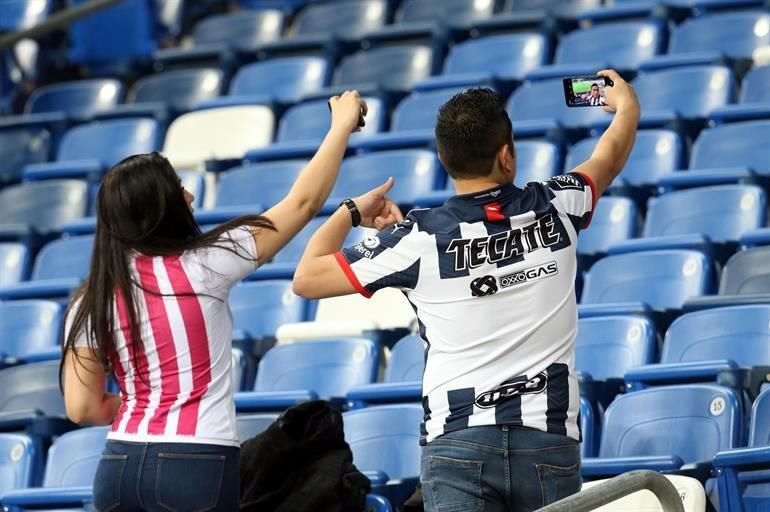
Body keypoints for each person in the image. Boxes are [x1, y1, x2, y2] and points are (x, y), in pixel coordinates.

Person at [291, 69, 640, 512]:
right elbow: (610, 155)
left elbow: (306, 277)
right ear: (507, 155)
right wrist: (627, 106)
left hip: (456, 443)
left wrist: (350, 211)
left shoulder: (415, 238)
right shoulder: (558, 206)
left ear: (442, 157)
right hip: (547, 440)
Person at [61, 90, 384, 512]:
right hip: (193, 462)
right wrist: (340, 126)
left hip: (117, 465)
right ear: (160, 208)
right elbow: (302, 204)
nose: (190, 198)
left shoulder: (91, 297)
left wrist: (152, 402)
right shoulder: (206, 263)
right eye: (179, 190)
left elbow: (82, 408)